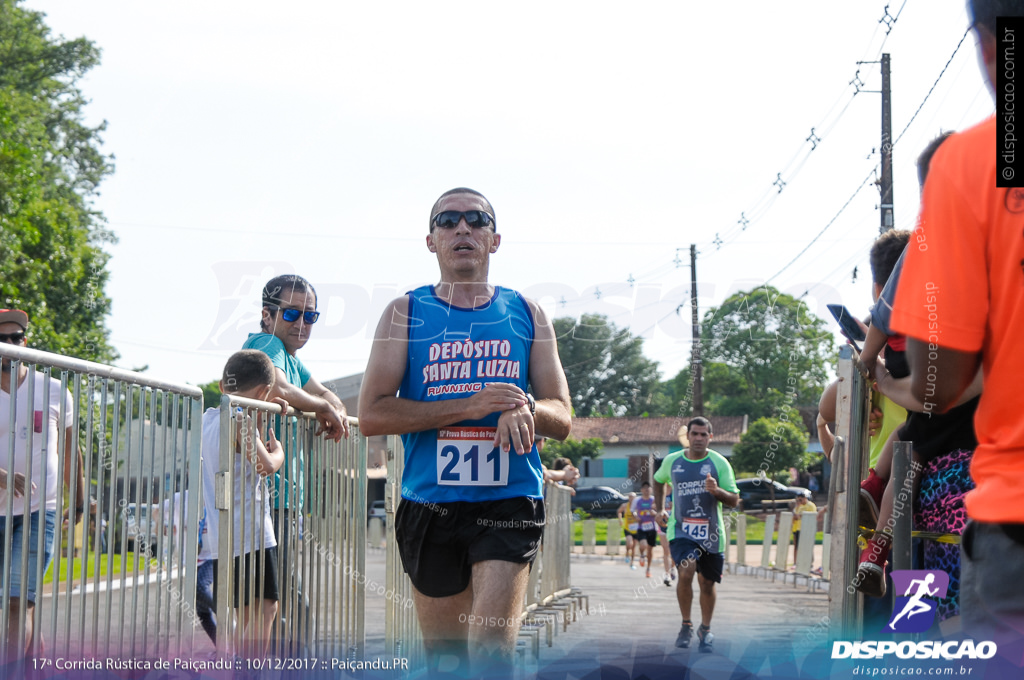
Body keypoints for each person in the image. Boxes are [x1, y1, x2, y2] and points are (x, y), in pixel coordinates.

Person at [358, 188, 573, 676]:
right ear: (431, 241)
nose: (462, 228)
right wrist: (468, 406)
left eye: (476, 220)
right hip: (430, 502)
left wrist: (526, 408)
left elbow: (561, 416)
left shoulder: (528, 313)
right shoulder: (404, 312)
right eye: (448, 220)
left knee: (493, 650)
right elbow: (372, 415)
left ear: (494, 240)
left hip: (509, 497)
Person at [890, 0, 1024, 643]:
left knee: (907, 541)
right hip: (932, 454)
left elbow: (939, 378)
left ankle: (913, 647)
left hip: (970, 472)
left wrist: (889, 380)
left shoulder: (971, 170)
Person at [242, 274, 348, 652]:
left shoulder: (291, 358)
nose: (302, 324)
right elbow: (280, 387)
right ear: (268, 315)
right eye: (292, 314)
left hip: (284, 501)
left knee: (276, 598)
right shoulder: (265, 343)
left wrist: (333, 407)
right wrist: (321, 408)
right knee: (280, 599)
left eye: (310, 316)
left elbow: (323, 393)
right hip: (265, 496)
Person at [0, 309, 86, 661]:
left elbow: (68, 448)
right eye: (1, 340)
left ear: (25, 342)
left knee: (20, 601)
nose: (8, 347)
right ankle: (33, 657)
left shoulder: (52, 390)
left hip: (40, 510)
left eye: (15, 340)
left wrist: (79, 499)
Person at [198, 350, 286, 657]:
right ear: (264, 393)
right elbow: (264, 465)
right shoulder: (241, 421)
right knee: (266, 610)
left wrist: (264, 412)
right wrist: (279, 453)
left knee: (246, 616)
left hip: (224, 539)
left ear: (223, 386)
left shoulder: (209, 420)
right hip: (251, 537)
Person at [655, 417, 739, 653]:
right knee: (686, 570)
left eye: (704, 435)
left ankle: (706, 628)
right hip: (680, 530)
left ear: (710, 438)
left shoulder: (719, 463)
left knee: (707, 583)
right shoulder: (672, 462)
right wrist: (660, 508)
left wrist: (717, 490)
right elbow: (658, 480)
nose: (699, 438)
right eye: (695, 434)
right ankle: (686, 625)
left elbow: (734, 500)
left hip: (712, 534)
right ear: (687, 436)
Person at [633, 482, 658, 579]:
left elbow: (659, 511)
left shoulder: (654, 500)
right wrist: (636, 516)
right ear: (641, 490)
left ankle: (648, 568)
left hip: (652, 527)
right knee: (643, 544)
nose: (646, 490)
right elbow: (633, 510)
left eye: (648, 488)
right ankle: (642, 554)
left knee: (650, 549)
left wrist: (654, 513)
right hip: (641, 527)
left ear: (651, 490)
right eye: (644, 488)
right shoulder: (638, 500)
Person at [790, 491, 818, 567]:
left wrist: (798, 516)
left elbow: (809, 516)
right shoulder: (799, 507)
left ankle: (809, 563)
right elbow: (795, 515)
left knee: (808, 546)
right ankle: (798, 562)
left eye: (800, 500)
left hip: (808, 528)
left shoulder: (810, 505)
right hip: (798, 528)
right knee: (798, 547)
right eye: (797, 500)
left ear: (805, 498)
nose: (799, 502)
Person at [617, 492, 639, 568]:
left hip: (636, 529)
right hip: (628, 528)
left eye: (633, 497)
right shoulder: (625, 506)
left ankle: (632, 562)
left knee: (634, 546)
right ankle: (627, 553)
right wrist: (620, 519)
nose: (631, 499)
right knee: (629, 543)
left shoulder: (638, 506)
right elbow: (619, 511)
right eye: (630, 497)